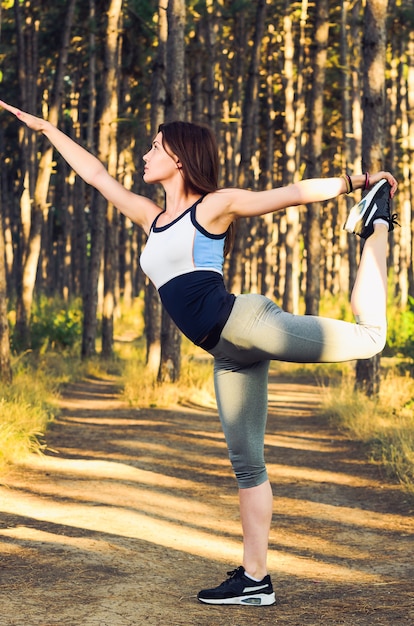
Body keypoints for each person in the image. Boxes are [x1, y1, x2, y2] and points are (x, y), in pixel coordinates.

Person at [0, 100, 398, 606]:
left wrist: (360, 182)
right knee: (247, 465)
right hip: (227, 351)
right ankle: (256, 581)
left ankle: (380, 223)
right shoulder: (153, 218)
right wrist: (46, 128)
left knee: (370, 340)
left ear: (180, 158)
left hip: (248, 324)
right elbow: (97, 175)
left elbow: (288, 196)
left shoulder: (211, 207)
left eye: (154, 146)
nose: (144, 154)